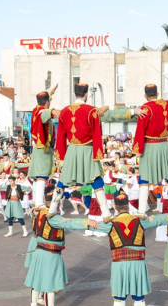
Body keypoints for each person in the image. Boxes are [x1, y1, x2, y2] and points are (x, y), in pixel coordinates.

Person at [47, 83, 144, 222]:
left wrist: (61, 155)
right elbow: (110, 116)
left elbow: (61, 135)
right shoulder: (91, 111)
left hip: (72, 150)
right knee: (96, 179)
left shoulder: (64, 112)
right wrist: (133, 111)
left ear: (74, 94)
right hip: (87, 150)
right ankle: (106, 213)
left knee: (63, 179)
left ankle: (52, 210)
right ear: (86, 94)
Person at [89, 190, 168, 306]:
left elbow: (85, 225)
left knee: (119, 296)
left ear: (115, 207)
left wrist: (87, 222)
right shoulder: (140, 220)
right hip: (138, 262)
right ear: (128, 206)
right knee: (138, 295)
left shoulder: (110, 223)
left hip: (119, 263)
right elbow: (165, 219)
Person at [24, 188, 90, 306]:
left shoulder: (38, 211)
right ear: (57, 203)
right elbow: (69, 224)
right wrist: (87, 223)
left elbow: (33, 211)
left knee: (36, 282)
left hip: (38, 250)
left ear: (45, 201)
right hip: (50, 253)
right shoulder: (54, 217)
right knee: (50, 286)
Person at [132, 84, 168, 216]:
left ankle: (141, 211)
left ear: (145, 96)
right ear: (157, 94)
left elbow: (140, 130)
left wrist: (138, 149)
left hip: (149, 145)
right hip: (164, 145)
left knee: (144, 177)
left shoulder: (145, 108)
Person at [28, 86, 60, 209]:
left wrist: (50, 94)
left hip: (40, 147)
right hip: (43, 148)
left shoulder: (36, 109)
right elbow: (45, 113)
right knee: (42, 175)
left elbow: (43, 109)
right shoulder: (42, 112)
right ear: (47, 102)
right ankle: (39, 203)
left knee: (39, 176)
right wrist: (53, 111)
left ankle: (36, 201)